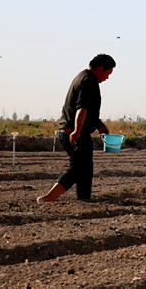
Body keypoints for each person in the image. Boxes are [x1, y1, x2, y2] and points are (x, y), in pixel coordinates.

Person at [37, 54, 116, 203]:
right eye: (108, 73)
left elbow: (88, 111)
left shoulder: (82, 76)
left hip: (72, 131)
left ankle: (84, 199)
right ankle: (50, 196)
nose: (107, 78)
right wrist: (77, 131)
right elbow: (82, 108)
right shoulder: (89, 81)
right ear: (100, 69)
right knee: (79, 168)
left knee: (86, 169)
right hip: (74, 133)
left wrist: (100, 126)